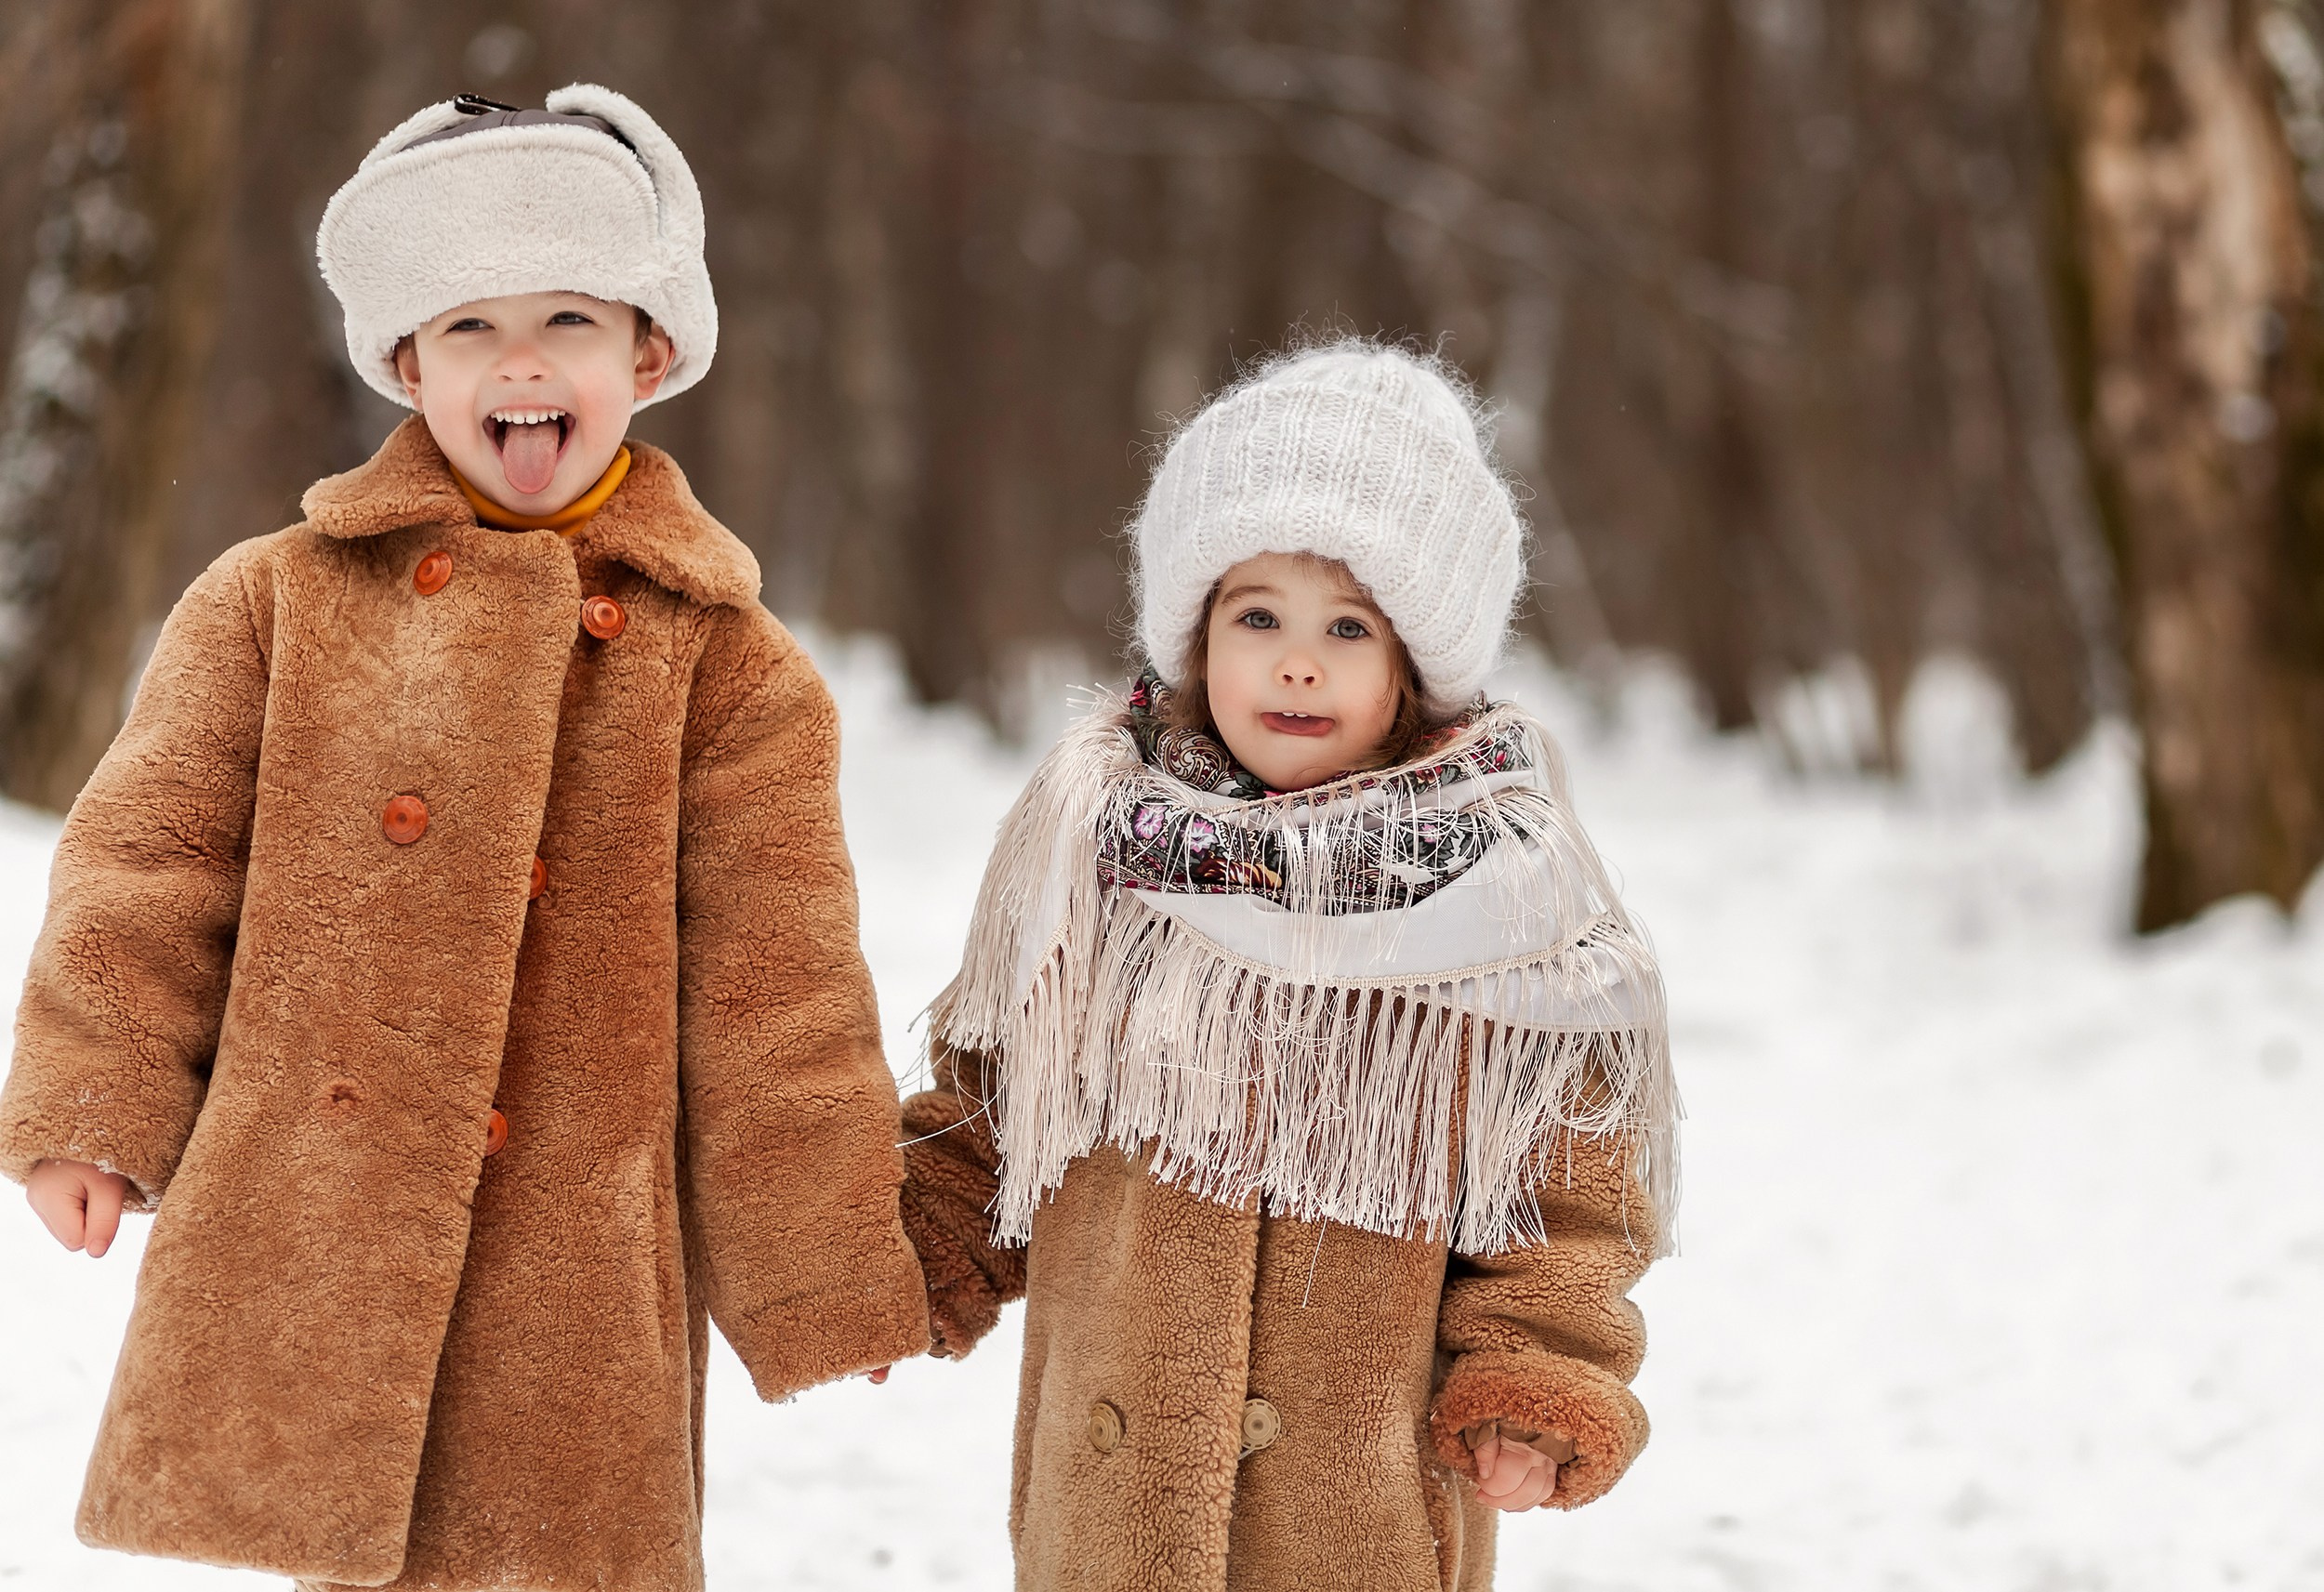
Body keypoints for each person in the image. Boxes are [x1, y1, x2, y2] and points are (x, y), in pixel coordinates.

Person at [0, 86, 927, 1592]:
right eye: (468, 324)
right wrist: (93, 1096)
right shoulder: (278, 600)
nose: (520, 362)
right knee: (355, 1543)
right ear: (405, 361)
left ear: (648, 349)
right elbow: (150, 859)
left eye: (567, 315)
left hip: (577, 1260)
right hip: (324, 1207)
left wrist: (821, 1274)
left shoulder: (730, 664)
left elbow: (781, 997)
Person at [900, 341, 1680, 1590]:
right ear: (1195, 632)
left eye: (1348, 626)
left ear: (1415, 667)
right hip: (1108, 1519)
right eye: (1256, 615)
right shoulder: (1097, 856)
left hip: (1356, 1517)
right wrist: (926, 1248)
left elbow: (1565, 1193)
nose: (1296, 659)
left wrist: (1531, 1375)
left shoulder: (1504, 907)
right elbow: (1000, 1106)